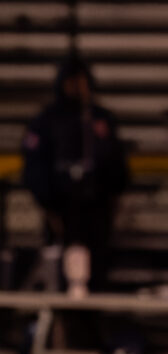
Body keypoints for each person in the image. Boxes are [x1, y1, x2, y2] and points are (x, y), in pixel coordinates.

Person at [22, 56, 129, 292]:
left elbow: (115, 160)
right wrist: (48, 205)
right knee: (63, 271)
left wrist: (114, 196)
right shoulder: (48, 121)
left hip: (97, 209)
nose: (77, 87)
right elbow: (35, 165)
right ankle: (65, 323)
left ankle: (94, 323)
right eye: (72, 81)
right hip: (62, 208)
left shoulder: (99, 119)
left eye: (81, 81)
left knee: (97, 274)